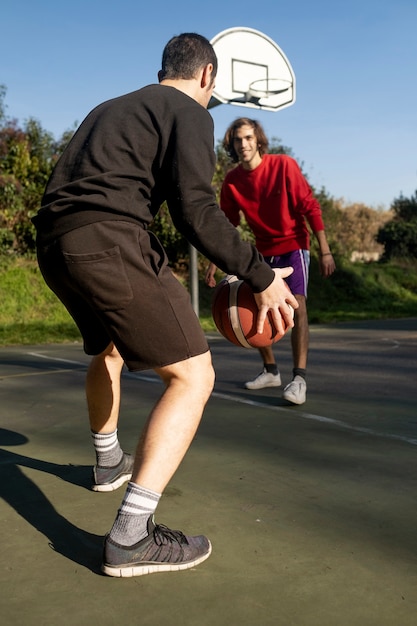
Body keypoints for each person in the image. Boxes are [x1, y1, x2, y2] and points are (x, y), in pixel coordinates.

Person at [32, 35, 298, 578]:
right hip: (108, 239)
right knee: (194, 377)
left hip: (56, 245)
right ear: (207, 77)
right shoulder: (189, 111)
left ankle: (108, 461)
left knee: (106, 349)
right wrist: (261, 275)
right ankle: (131, 536)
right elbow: (196, 211)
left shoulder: (110, 108)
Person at [206, 118, 335, 405]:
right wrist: (215, 261)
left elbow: (310, 207)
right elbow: (227, 224)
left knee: (298, 307)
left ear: (258, 139)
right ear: (232, 145)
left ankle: (299, 379)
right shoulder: (232, 181)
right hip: (262, 251)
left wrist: (325, 251)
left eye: (248, 138)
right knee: (254, 306)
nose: (244, 144)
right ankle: (271, 370)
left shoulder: (284, 165)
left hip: (293, 246)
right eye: (238, 140)